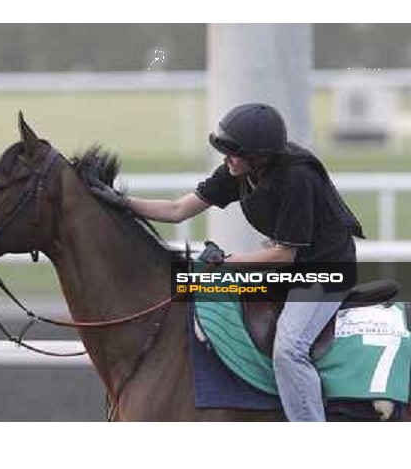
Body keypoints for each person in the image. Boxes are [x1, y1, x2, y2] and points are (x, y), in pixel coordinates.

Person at [91, 103, 364, 422]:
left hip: (325, 273)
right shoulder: (239, 170)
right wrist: (123, 203)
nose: (226, 158)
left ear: (260, 156)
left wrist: (227, 263)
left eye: (233, 152)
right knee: (193, 291)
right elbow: (178, 209)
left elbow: (283, 255)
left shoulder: (297, 177)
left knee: (288, 350)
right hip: (289, 268)